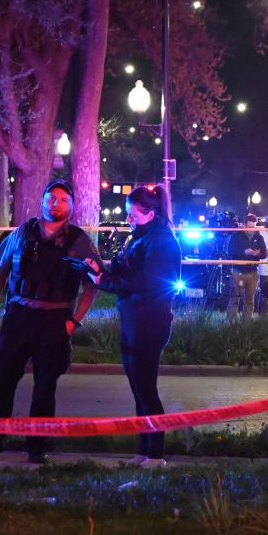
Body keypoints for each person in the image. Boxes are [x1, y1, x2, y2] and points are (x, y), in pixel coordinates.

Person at [0, 179, 100, 464]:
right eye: (51, 198)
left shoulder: (80, 241)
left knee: (45, 385)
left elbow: (92, 285)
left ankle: (37, 446)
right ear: (42, 201)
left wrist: (74, 321)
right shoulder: (24, 232)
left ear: (71, 206)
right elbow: (2, 270)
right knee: (0, 379)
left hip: (55, 320)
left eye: (62, 199)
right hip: (18, 317)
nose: (55, 203)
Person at [85, 185, 181, 468]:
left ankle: (156, 455)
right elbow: (126, 269)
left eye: (132, 214)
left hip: (149, 321)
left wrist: (105, 282)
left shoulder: (162, 242)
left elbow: (146, 281)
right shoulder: (139, 238)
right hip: (132, 317)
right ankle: (143, 451)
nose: (127, 219)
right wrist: (101, 269)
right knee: (138, 388)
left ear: (151, 213)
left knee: (146, 388)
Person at [225, 213, 267, 320]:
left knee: (250, 299)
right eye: (248, 227)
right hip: (238, 271)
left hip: (253, 272)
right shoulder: (236, 236)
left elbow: (264, 253)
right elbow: (230, 252)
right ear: (244, 225)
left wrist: (258, 254)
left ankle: (247, 322)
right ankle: (230, 322)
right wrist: (244, 252)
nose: (251, 229)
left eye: (253, 227)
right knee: (235, 297)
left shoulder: (259, 237)